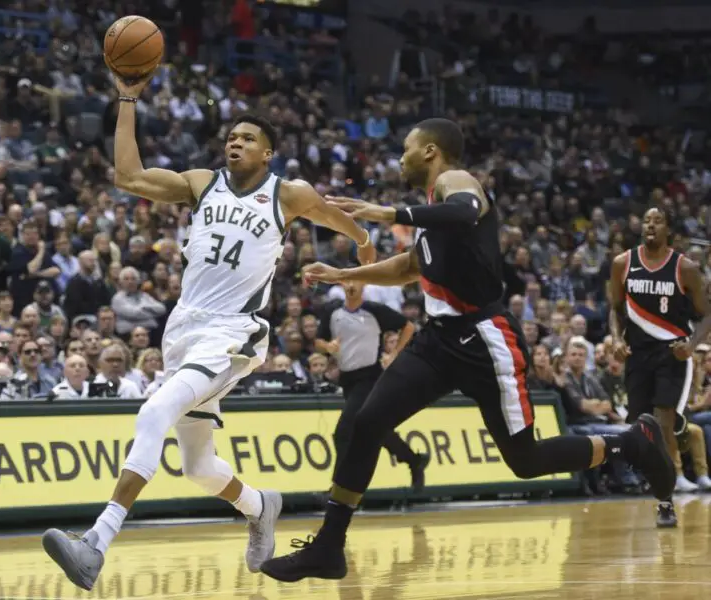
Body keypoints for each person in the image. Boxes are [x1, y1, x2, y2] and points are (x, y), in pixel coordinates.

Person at [260, 118, 675, 582]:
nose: (399, 157)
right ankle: (328, 546)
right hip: (440, 339)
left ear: (432, 152)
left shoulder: (456, 182)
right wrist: (345, 276)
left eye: (406, 148)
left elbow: (463, 212)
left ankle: (631, 444)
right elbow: (409, 269)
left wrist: (385, 213)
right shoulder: (428, 214)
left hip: (485, 337)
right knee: (368, 420)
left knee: (525, 461)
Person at [41, 70, 376, 592]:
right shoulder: (201, 183)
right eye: (230, 137)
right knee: (197, 466)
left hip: (235, 332)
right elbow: (127, 176)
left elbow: (332, 216)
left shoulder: (286, 194)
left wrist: (362, 241)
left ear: (268, 153)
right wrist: (127, 98)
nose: (235, 142)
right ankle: (259, 504)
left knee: (153, 410)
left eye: (247, 138)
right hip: (184, 329)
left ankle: (95, 544)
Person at [609, 206, 711, 527]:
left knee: (663, 422)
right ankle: (655, 476)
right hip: (638, 354)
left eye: (658, 221)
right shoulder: (623, 263)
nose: (651, 225)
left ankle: (666, 501)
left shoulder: (686, 268)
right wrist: (615, 338)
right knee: (640, 424)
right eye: (647, 220)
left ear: (669, 231)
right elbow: (615, 309)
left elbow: (706, 315)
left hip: (671, 354)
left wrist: (692, 346)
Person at [317, 279, 427, 491]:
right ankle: (414, 459)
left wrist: (395, 354)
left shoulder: (374, 310)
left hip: (370, 378)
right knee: (375, 429)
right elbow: (319, 340)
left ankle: (338, 490)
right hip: (347, 379)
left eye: (355, 281)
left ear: (363, 286)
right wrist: (327, 346)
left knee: (343, 432)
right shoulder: (331, 311)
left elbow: (408, 326)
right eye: (346, 281)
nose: (351, 285)